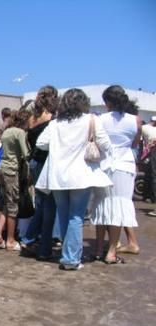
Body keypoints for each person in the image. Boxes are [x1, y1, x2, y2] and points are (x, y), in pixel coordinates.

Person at [34, 88, 113, 270]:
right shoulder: (91, 120)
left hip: (58, 176)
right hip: (81, 175)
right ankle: (71, 258)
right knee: (76, 216)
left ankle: (67, 255)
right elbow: (105, 144)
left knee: (63, 215)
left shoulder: (55, 124)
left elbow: (40, 143)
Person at [91, 85, 142, 263]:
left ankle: (98, 248)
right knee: (119, 208)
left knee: (101, 205)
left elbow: (95, 141)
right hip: (125, 165)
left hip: (104, 164)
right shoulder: (135, 120)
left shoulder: (99, 119)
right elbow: (135, 144)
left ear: (108, 102)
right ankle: (111, 251)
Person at [21, 85, 60, 260]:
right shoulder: (53, 118)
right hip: (46, 162)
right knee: (49, 205)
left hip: (35, 161)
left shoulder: (31, 118)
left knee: (41, 202)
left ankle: (31, 239)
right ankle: (42, 243)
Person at [0, 110, 31, 251]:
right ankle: (10, 240)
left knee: (5, 205)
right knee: (13, 205)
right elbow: (26, 154)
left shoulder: (7, 132)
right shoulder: (20, 133)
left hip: (1, 169)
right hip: (11, 171)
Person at [142, 116, 156, 216]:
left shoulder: (145, 127)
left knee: (153, 177)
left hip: (152, 153)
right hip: (151, 153)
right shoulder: (146, 128)